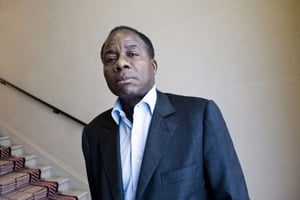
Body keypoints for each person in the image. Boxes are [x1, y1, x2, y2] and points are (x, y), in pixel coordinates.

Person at [82, 25, 249, 200]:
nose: (120, 63)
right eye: (110, 58)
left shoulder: (199, 116)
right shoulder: (93, 133)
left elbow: (233, 194)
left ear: (153, 66)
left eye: (132, 54)